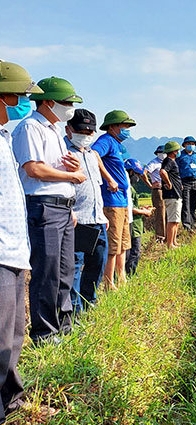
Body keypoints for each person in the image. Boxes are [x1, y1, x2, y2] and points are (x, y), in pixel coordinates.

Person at [11, 75, 85, 344]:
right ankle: (44, 333)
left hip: (63, 208)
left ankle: (64, 324)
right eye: (67, 103)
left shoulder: (55, 130)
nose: (70, 109)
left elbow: (56, 167)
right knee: (47, 271)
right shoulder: (31, 128)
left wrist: (72, 174)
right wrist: (72, 178)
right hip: (44, 207)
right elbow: (34, 169)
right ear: (48, 102)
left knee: (65, 270)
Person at [0, 60, 44, 423]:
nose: (22, 102)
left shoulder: (3, 138)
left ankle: (11, 401)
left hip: (14, 250)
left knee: (13, 335)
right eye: (18, 95)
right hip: (0, 252)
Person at [65, 108, 110, 313]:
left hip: (97, 218)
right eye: (81, 132)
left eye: (89, 133)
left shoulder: (92, 155)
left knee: (97, 264)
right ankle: (74, 312)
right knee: (75, 267)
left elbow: (95, 186)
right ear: (69, 130)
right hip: (77, 219)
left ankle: (89, 303)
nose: (85, 136)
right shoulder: (63, 152)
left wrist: (102, 213)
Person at [92, 110, 136, 290]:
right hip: (111, 202)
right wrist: (109, 178)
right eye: (124, 126)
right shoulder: (106, 141)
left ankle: (121, 277)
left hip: (122, 201)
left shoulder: (117, 145)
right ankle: (108, 283)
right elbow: (93, 155)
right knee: (113, 244)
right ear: (112, 127)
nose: (127, 130)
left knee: (123, 243)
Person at [124, 159, 153, 275]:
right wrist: (144, 212)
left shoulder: (131, 188)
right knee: (133, 251)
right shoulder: (128, 189)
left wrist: (142, 208)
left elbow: (133, 205)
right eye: (136, 174)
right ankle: (129, 273)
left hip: (136, 224)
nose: (137, 177)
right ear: (130, 172)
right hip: (133, 225)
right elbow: (129, 208)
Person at [176, 136, 196, 232]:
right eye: (188, 144)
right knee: (186, 204)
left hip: (195, 181)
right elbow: (176, 170)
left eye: (192, 144)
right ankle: (186, 225)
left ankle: (193, 224)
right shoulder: (180, 156)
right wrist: (179, 183)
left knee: (194, 204)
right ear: (184, 145)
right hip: (185, 182)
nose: (191, 146)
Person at [160, 141, 183, 249]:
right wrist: (169, 183)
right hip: (172, 195)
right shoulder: (168, 161)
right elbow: (163, 172)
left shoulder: (171, 161)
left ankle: (174, 241)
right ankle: (170, 244)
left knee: (176, 220)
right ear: (174, 151)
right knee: (172, 220)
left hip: (176, 194)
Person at [145, 145, 166, 243]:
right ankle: (160, 236)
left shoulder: (168, 163)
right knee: (160, 214)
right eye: (161, 153)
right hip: (159, 189)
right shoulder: (154, 163)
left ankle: (168, 235)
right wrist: (150, 184)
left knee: (168, 213)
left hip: (168, 189)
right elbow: (144, 172)